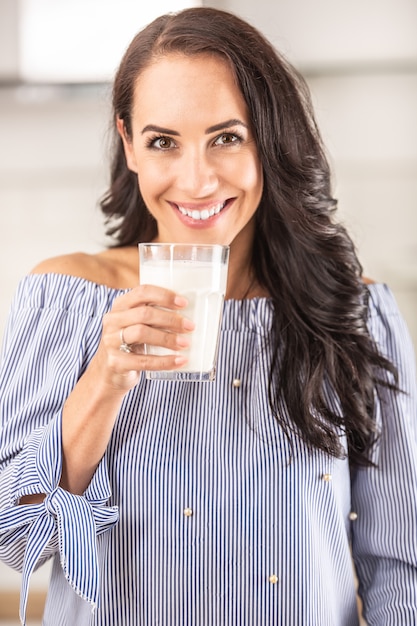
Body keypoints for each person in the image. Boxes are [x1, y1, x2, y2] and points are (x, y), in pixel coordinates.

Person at [1, 6, 416, 625]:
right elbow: (17, 536)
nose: (196, 181)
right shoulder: (66, 295)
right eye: (163, 141)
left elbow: (399, 562)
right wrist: (103, 382)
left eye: (226, 137)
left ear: (268, 139)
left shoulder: (354, 311)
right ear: (129, 144)